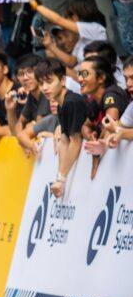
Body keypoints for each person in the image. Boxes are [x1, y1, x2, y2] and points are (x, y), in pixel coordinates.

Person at [35, 58, 90, 198]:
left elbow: (75, 142)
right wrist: (60, 177)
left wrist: (61, 179)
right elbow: (64, 141)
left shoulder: (72, 102)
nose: (44, 88)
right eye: (41, 83)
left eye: (49, 81)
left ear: (63, 80)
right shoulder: (61, 104)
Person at [29, 0, 108, 75]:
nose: (66, 20)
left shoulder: (94, 28)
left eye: (68, 16)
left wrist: (34, 4)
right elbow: (71, 62)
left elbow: (57, 20)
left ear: (76, 15)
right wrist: (50, 45)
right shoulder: (81, 40)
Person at [12, 54, 52, 156]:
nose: (25, 78)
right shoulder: (31, 96)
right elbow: (19, 124)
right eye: (21, 74)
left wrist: (25, 136)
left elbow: (39, 125)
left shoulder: (46, 92)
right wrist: (24, 141)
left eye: (30, 71)